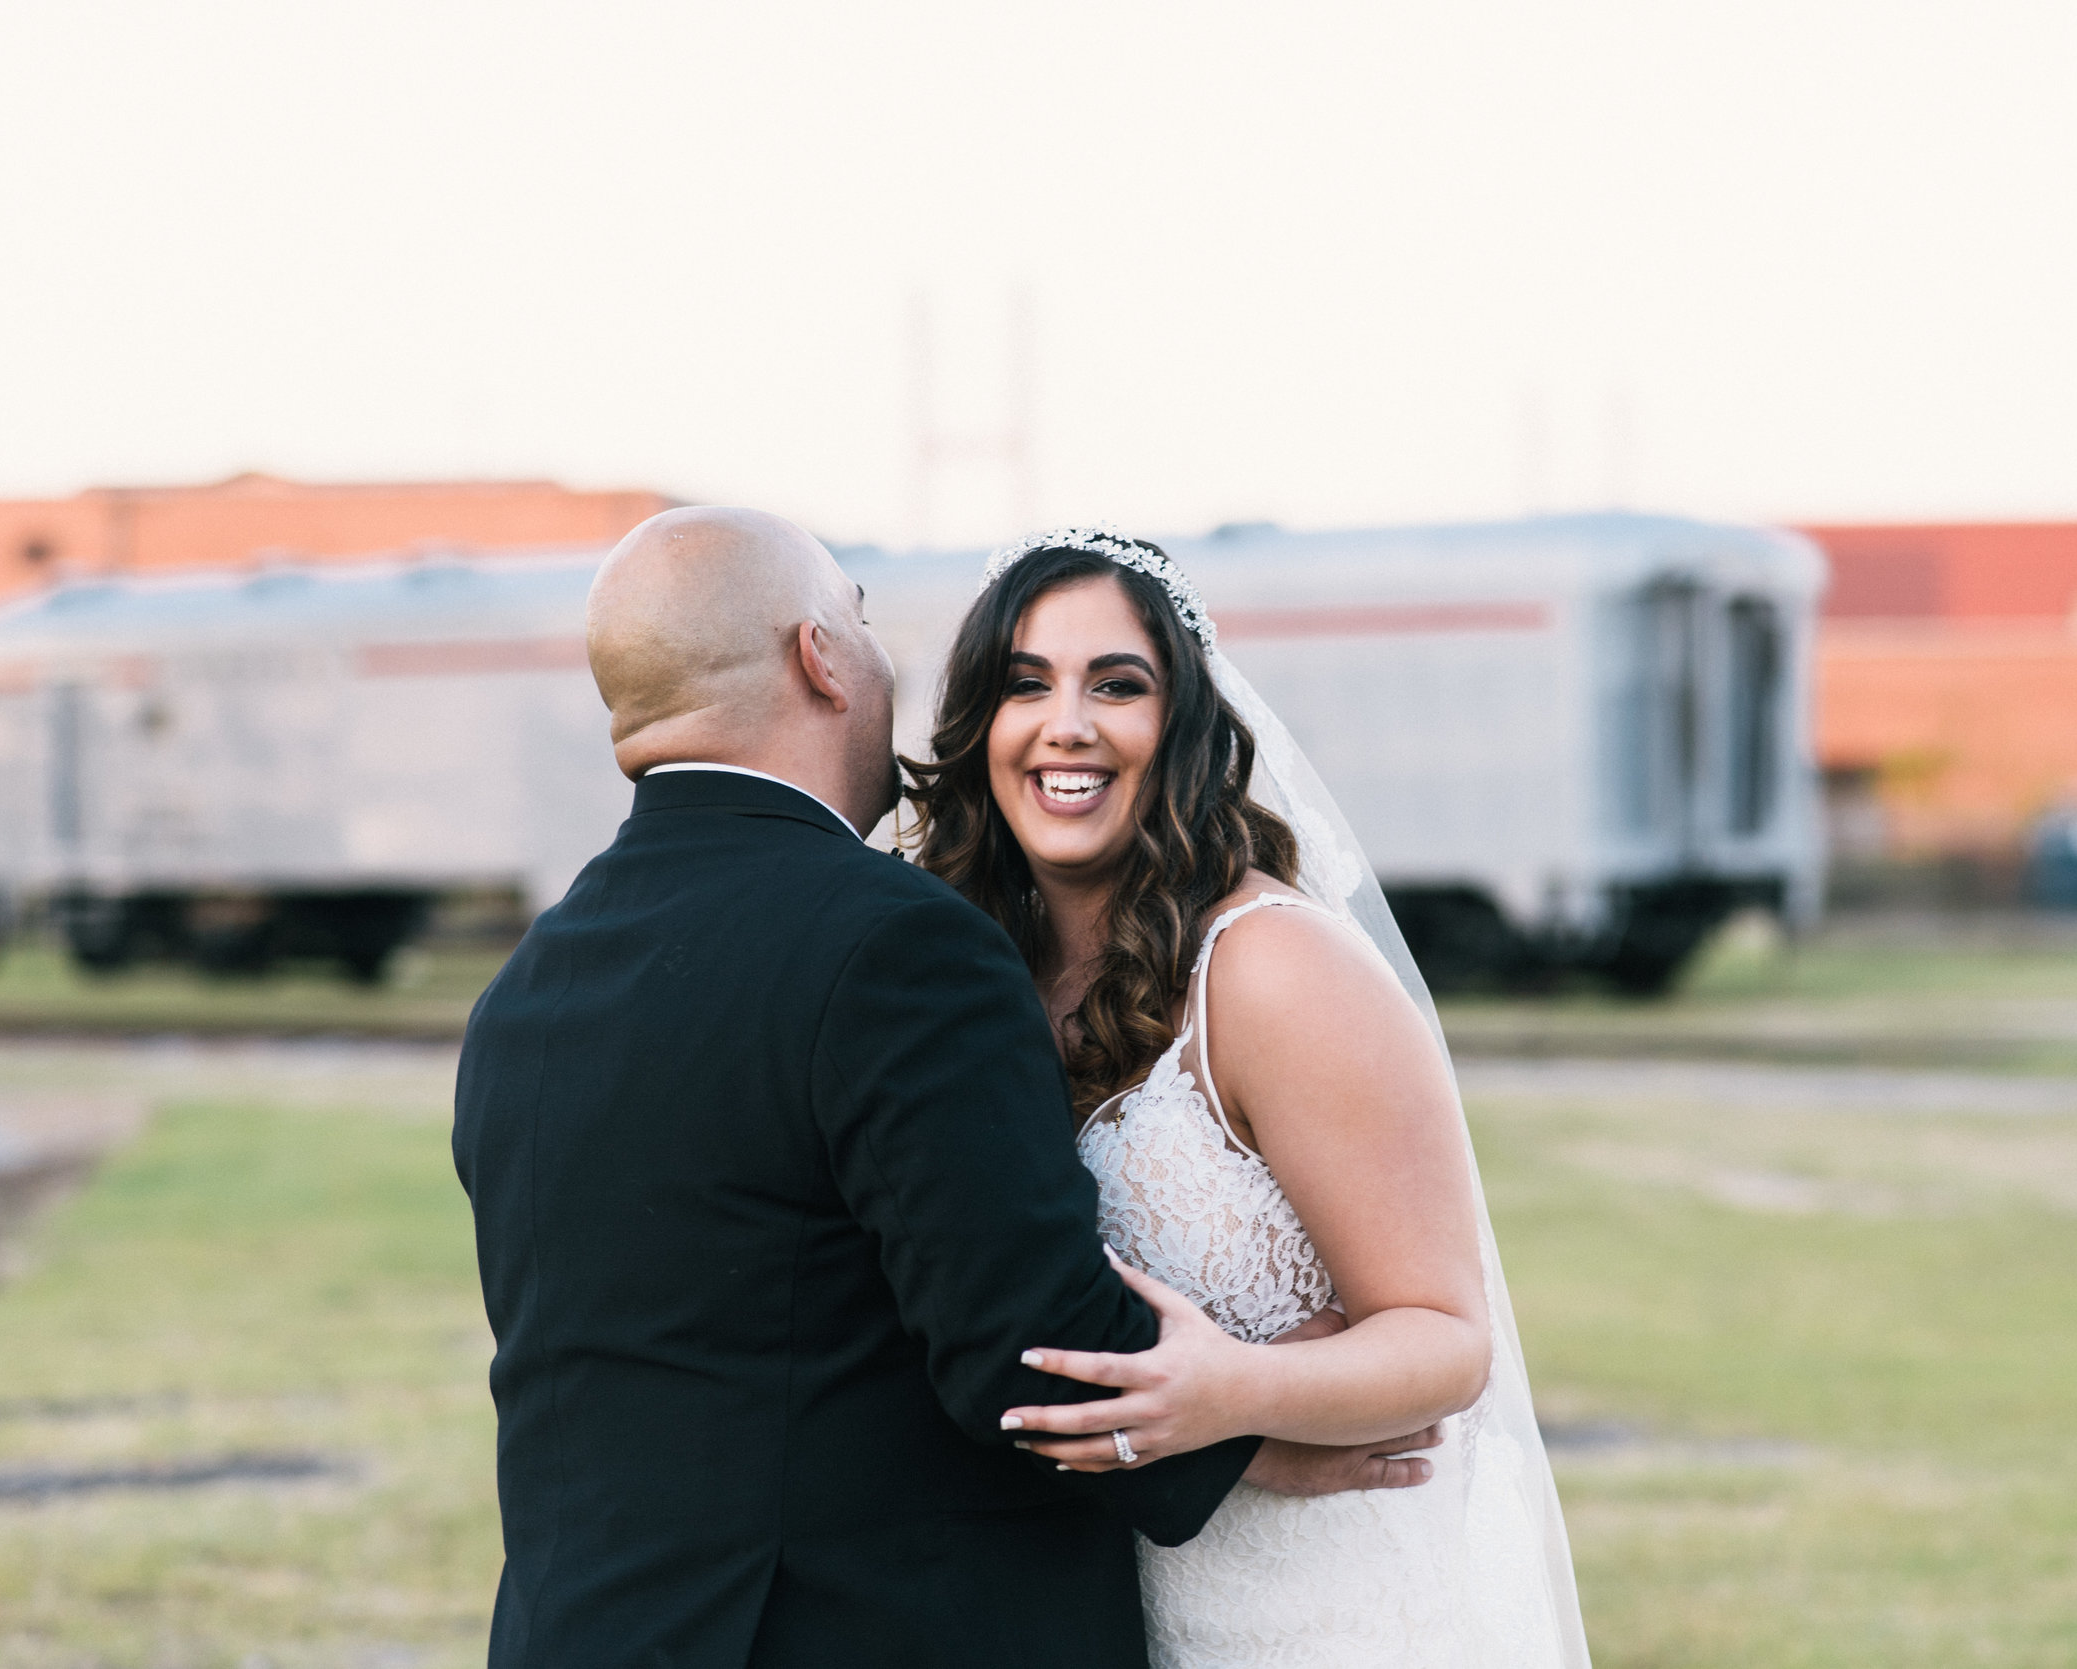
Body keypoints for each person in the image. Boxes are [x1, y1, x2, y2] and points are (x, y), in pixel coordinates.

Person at [451, 507, 1423, 1669]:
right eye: (860, 621)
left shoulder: (530, 985)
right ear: (819, 656)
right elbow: (1019, 1331)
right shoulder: (892, 944)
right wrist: (1250, 1431)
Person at [904, 528, 1593, 1666]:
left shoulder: (1274, 969)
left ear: (1179, 727)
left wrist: (1237, 1393)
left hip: (1333, 1608)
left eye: (1115, 685)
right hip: (1111, 1600)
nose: (1065, 723)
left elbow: (1443, 1341)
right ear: (980, 724)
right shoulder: (967, 978)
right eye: (1024, 683)